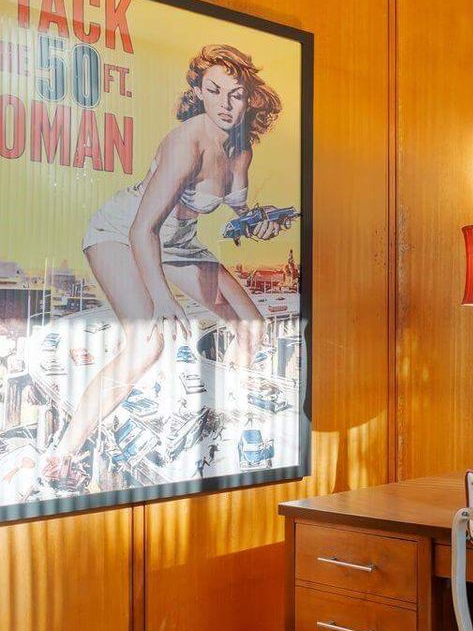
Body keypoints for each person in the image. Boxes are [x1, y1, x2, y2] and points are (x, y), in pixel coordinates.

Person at [40, 43, 290, 492]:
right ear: (199, 90)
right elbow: (142, 230)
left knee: (252, 326)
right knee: (148, 343)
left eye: (236, 93)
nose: (226, 104)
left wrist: (260, 225)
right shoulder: (185, 144)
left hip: (179, 242)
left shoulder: (242, 147)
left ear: (249, 96)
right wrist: (161, 298)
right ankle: (63, 452)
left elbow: (236, 213)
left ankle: (224, 414)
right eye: (215, 91)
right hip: (122, 233)